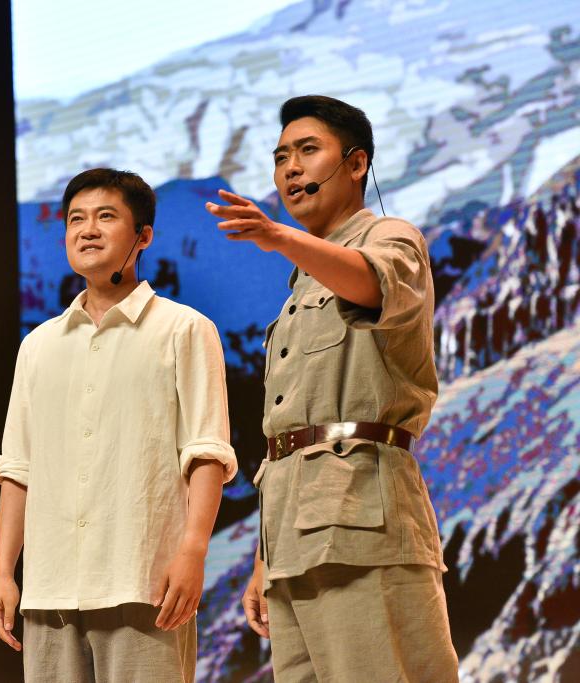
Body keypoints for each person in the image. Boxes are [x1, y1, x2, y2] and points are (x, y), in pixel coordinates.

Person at [204, 95, 459, 681]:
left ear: (356, 163)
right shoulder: (302, 282)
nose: (291, 168)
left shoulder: (390, 236)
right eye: (280, 157)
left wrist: (278, 237)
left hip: (364, 526)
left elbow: (372, 284)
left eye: (308, 150)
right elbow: (292, 434)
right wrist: (265, 557)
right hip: (293, 538)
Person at [0, 168, 238, 682]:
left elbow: (207, 451)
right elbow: (18, 467)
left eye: (106, 217)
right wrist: (3, 573)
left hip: (143, 582)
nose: (88, 230)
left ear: (143, 236)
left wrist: (193, 551)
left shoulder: (184, 329)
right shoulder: (38, 346)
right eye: (76, 219)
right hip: (50, 589)